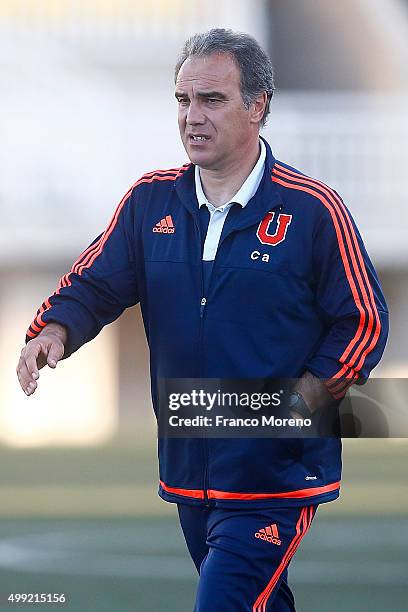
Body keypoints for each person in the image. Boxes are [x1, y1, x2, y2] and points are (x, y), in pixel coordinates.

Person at [17, 29, 388, 611]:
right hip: (190, 460)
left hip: (276, 474)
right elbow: (93, 282)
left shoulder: (313, 210)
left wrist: (300, 406)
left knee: (222, 604)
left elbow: (363, 321)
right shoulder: (149, 202)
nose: (193, 116)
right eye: (183, 100)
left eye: (212, 99)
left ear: (257, 106)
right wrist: (54, 330)